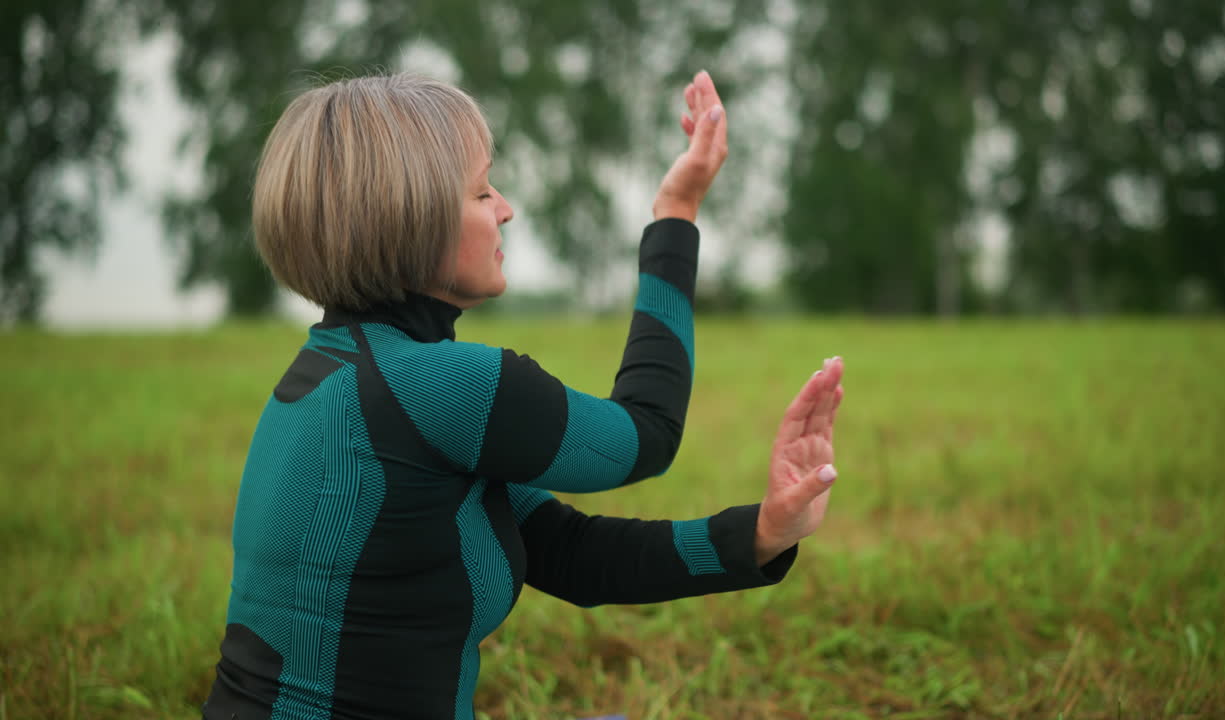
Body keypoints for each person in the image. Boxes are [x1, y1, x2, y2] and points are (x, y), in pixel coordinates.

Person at [202, 70, 845, 720]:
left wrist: (764, 532)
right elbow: (647, 433)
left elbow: (569, 553)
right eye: (482, 190)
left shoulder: (332, 379)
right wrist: (675, 218)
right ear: (411, 221)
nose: (505, 207)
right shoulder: (443, 385)